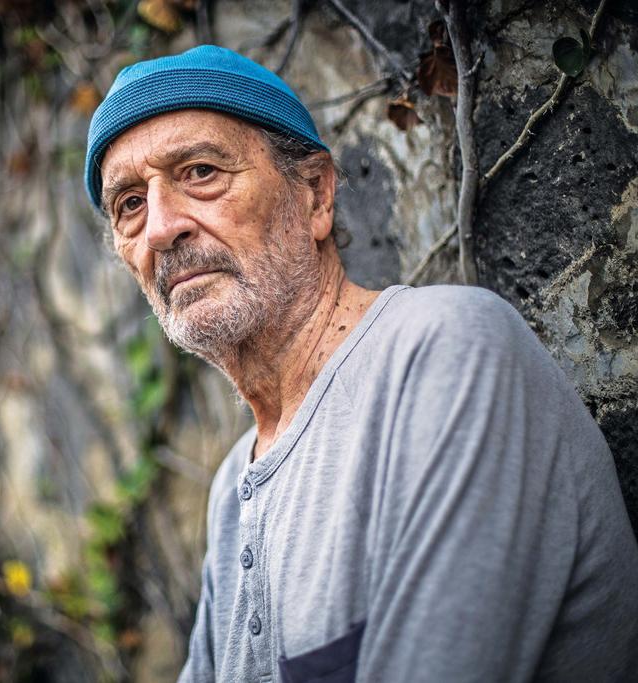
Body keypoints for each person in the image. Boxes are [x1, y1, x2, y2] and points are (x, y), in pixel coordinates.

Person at [83, 45, 638, 682]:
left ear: (315, 194)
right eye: (129, 204)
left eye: (201, 171)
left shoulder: (446, 354)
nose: (160, 228)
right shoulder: (232, 487)